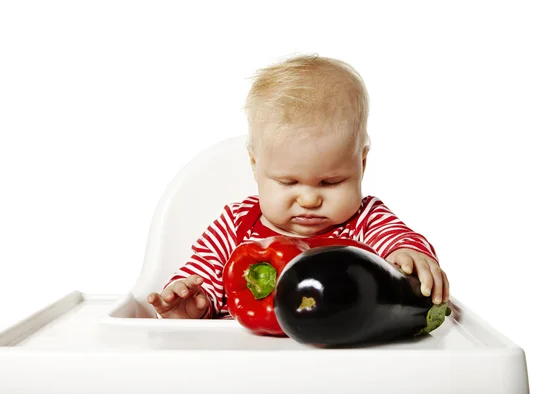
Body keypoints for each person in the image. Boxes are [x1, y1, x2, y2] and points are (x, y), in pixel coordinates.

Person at [146, 54, 450, 319]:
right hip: (242, 366)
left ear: (362, 164)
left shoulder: (367, 221)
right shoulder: (235, 226)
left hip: (337, 363)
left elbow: (399, 242)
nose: (308, 199)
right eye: (287, 182)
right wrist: (190, 303)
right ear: (255, 165)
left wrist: (408, 258)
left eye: (331, 182)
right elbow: (200, 278)